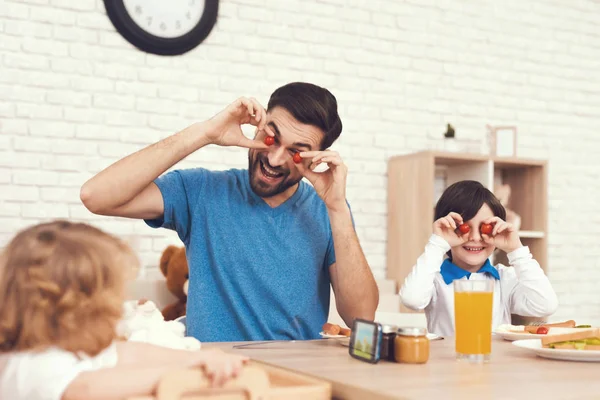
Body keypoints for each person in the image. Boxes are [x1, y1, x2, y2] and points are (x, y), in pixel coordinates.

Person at [80, 82, 379, 342]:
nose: (274, 159)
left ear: (316, 159)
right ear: (259, 127)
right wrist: (205, 132)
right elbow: (96, 196)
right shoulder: (201, 192)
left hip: (295, 383)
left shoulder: (328, 211)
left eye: (296, 152)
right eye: (272, 138)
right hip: (216, 380)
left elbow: (361, 317)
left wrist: (338, 208)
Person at [0, 220, 248, 400]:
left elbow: (127, 353)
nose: (121, 305)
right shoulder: (31, 365)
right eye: (113, 297)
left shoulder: (72, 350)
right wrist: (183, 369)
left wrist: (199, 358)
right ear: (74, 311)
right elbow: (84, 389)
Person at [399, 180, 558, 336]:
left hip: (495, 361)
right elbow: (412, 299)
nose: (475, 237)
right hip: (447, 362)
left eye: (485, 228)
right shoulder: (434, 279)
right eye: (464, 227)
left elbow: (545, 305)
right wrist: (437, 243)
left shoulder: (504, 279)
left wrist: (516, 250)